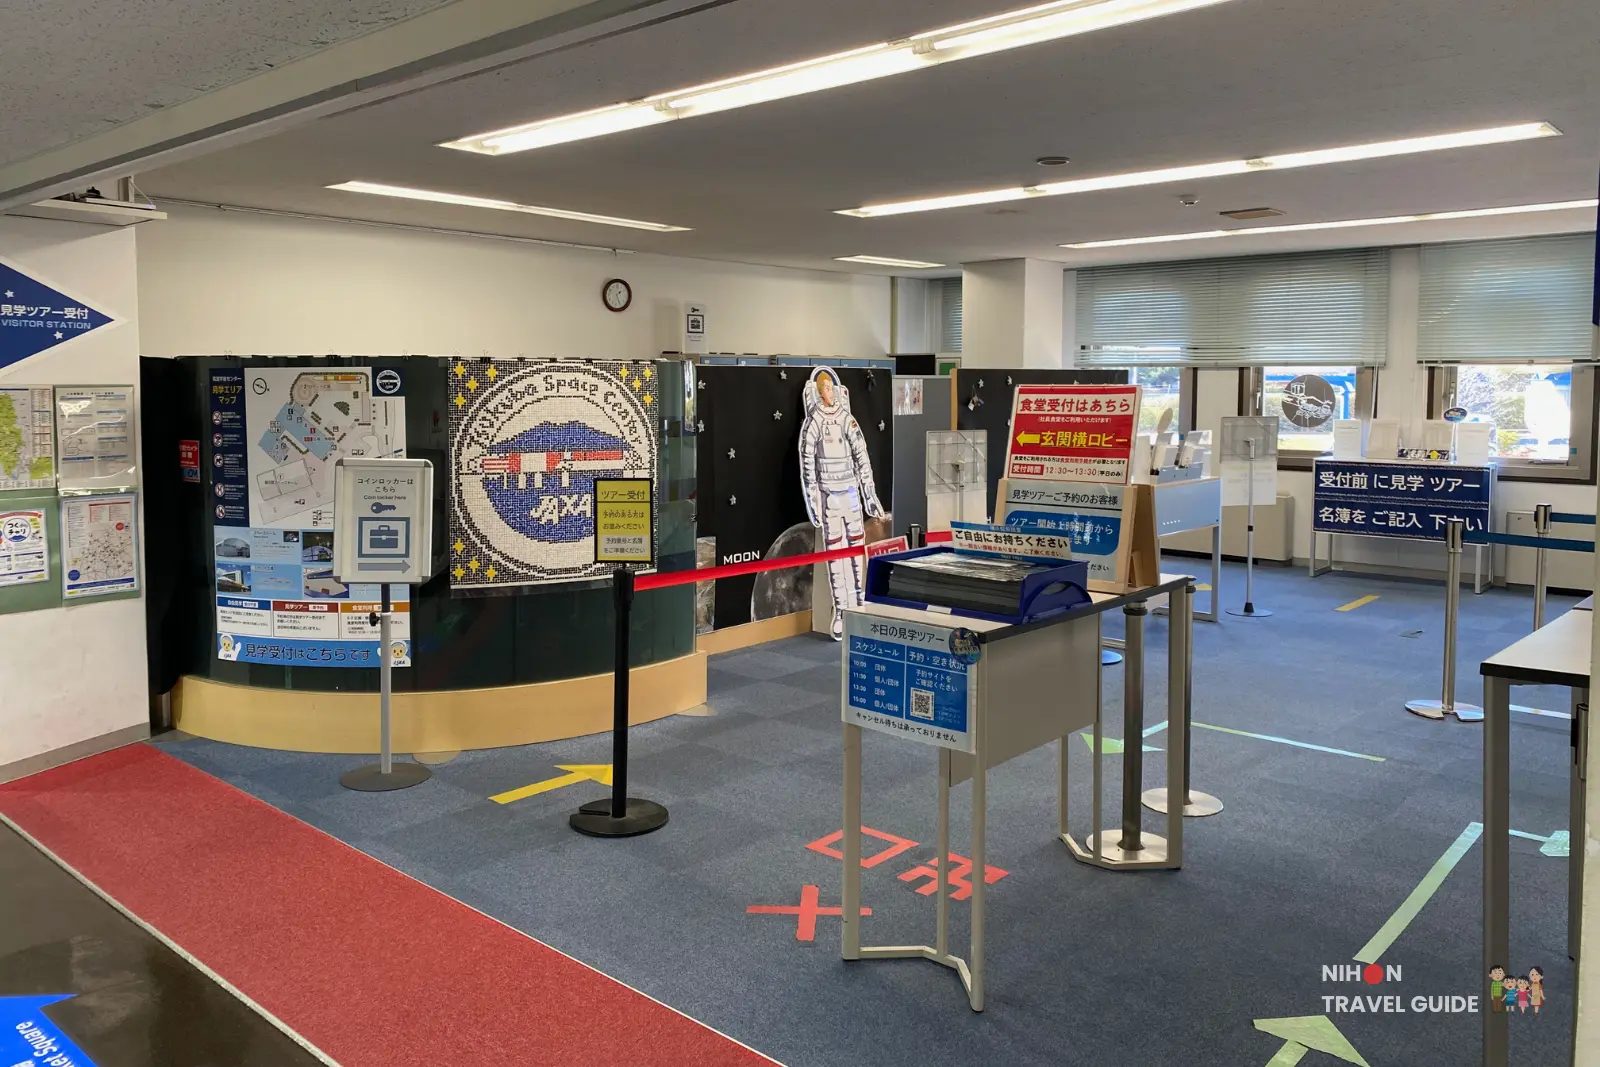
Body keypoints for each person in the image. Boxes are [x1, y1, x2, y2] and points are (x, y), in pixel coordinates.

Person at [799, 367, 885, 640]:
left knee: (856, 549)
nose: (829, 393)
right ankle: (840, 609)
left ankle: (859, 602)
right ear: (817, 393)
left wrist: (869, 494)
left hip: (850, 492)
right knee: (835, 555)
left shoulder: (847, 419)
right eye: (824, 389)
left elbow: (862, 456)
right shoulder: (813, 423)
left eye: (831, 388)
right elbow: (807, 464)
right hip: (829, 497)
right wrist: (813, 500)